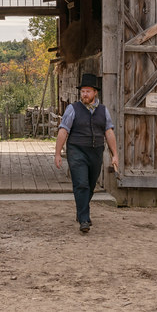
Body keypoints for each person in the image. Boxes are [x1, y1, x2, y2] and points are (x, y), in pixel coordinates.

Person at [54, 73, 119, 233]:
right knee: (81, 184)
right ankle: (84, 219)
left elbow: (109, 132)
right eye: (83, 91)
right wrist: (57, 153)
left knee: (90, 185)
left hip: (96, 151)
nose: (84, 94)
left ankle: (81, 210)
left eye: (88, 91)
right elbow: (63, 131)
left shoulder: (103, 111)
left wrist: (115, 154)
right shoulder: (72, 109)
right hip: (77, 150)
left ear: (95, 92)